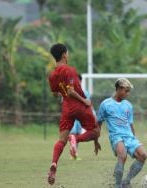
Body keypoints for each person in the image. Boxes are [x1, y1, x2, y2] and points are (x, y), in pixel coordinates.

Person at [47, 43, 101, 185]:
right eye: (68, 53)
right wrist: (85, 100)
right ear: (64, 54)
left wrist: (62, 90)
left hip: (66, 107)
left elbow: (54, 93)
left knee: (61, 140)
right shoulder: (69, 70)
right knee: (96, 131)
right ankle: (75, 139)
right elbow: (71, 91)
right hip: (79, 105)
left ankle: (54, 163)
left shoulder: (52, 75)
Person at [97, 78, 147, 188]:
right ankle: (117, 185)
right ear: (119, 89)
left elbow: (130, 124)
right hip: (116, 136)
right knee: (122, 156)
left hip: (129, 136)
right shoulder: (105, 104)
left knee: (143, 155)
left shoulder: (128, 105)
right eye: (126, 91)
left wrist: (134, 138)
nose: (128, 94)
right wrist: (96, 141)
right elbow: (98, 123)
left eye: (129, 91)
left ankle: (126, 181)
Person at [68, 74, 96, 160]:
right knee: (75, 135)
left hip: (73, 115)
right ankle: (74, 152)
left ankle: (74, 153)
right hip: (79, 116)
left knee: (74, 135)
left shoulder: (68, 91)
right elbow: (89, 104)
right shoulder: (84, 92)